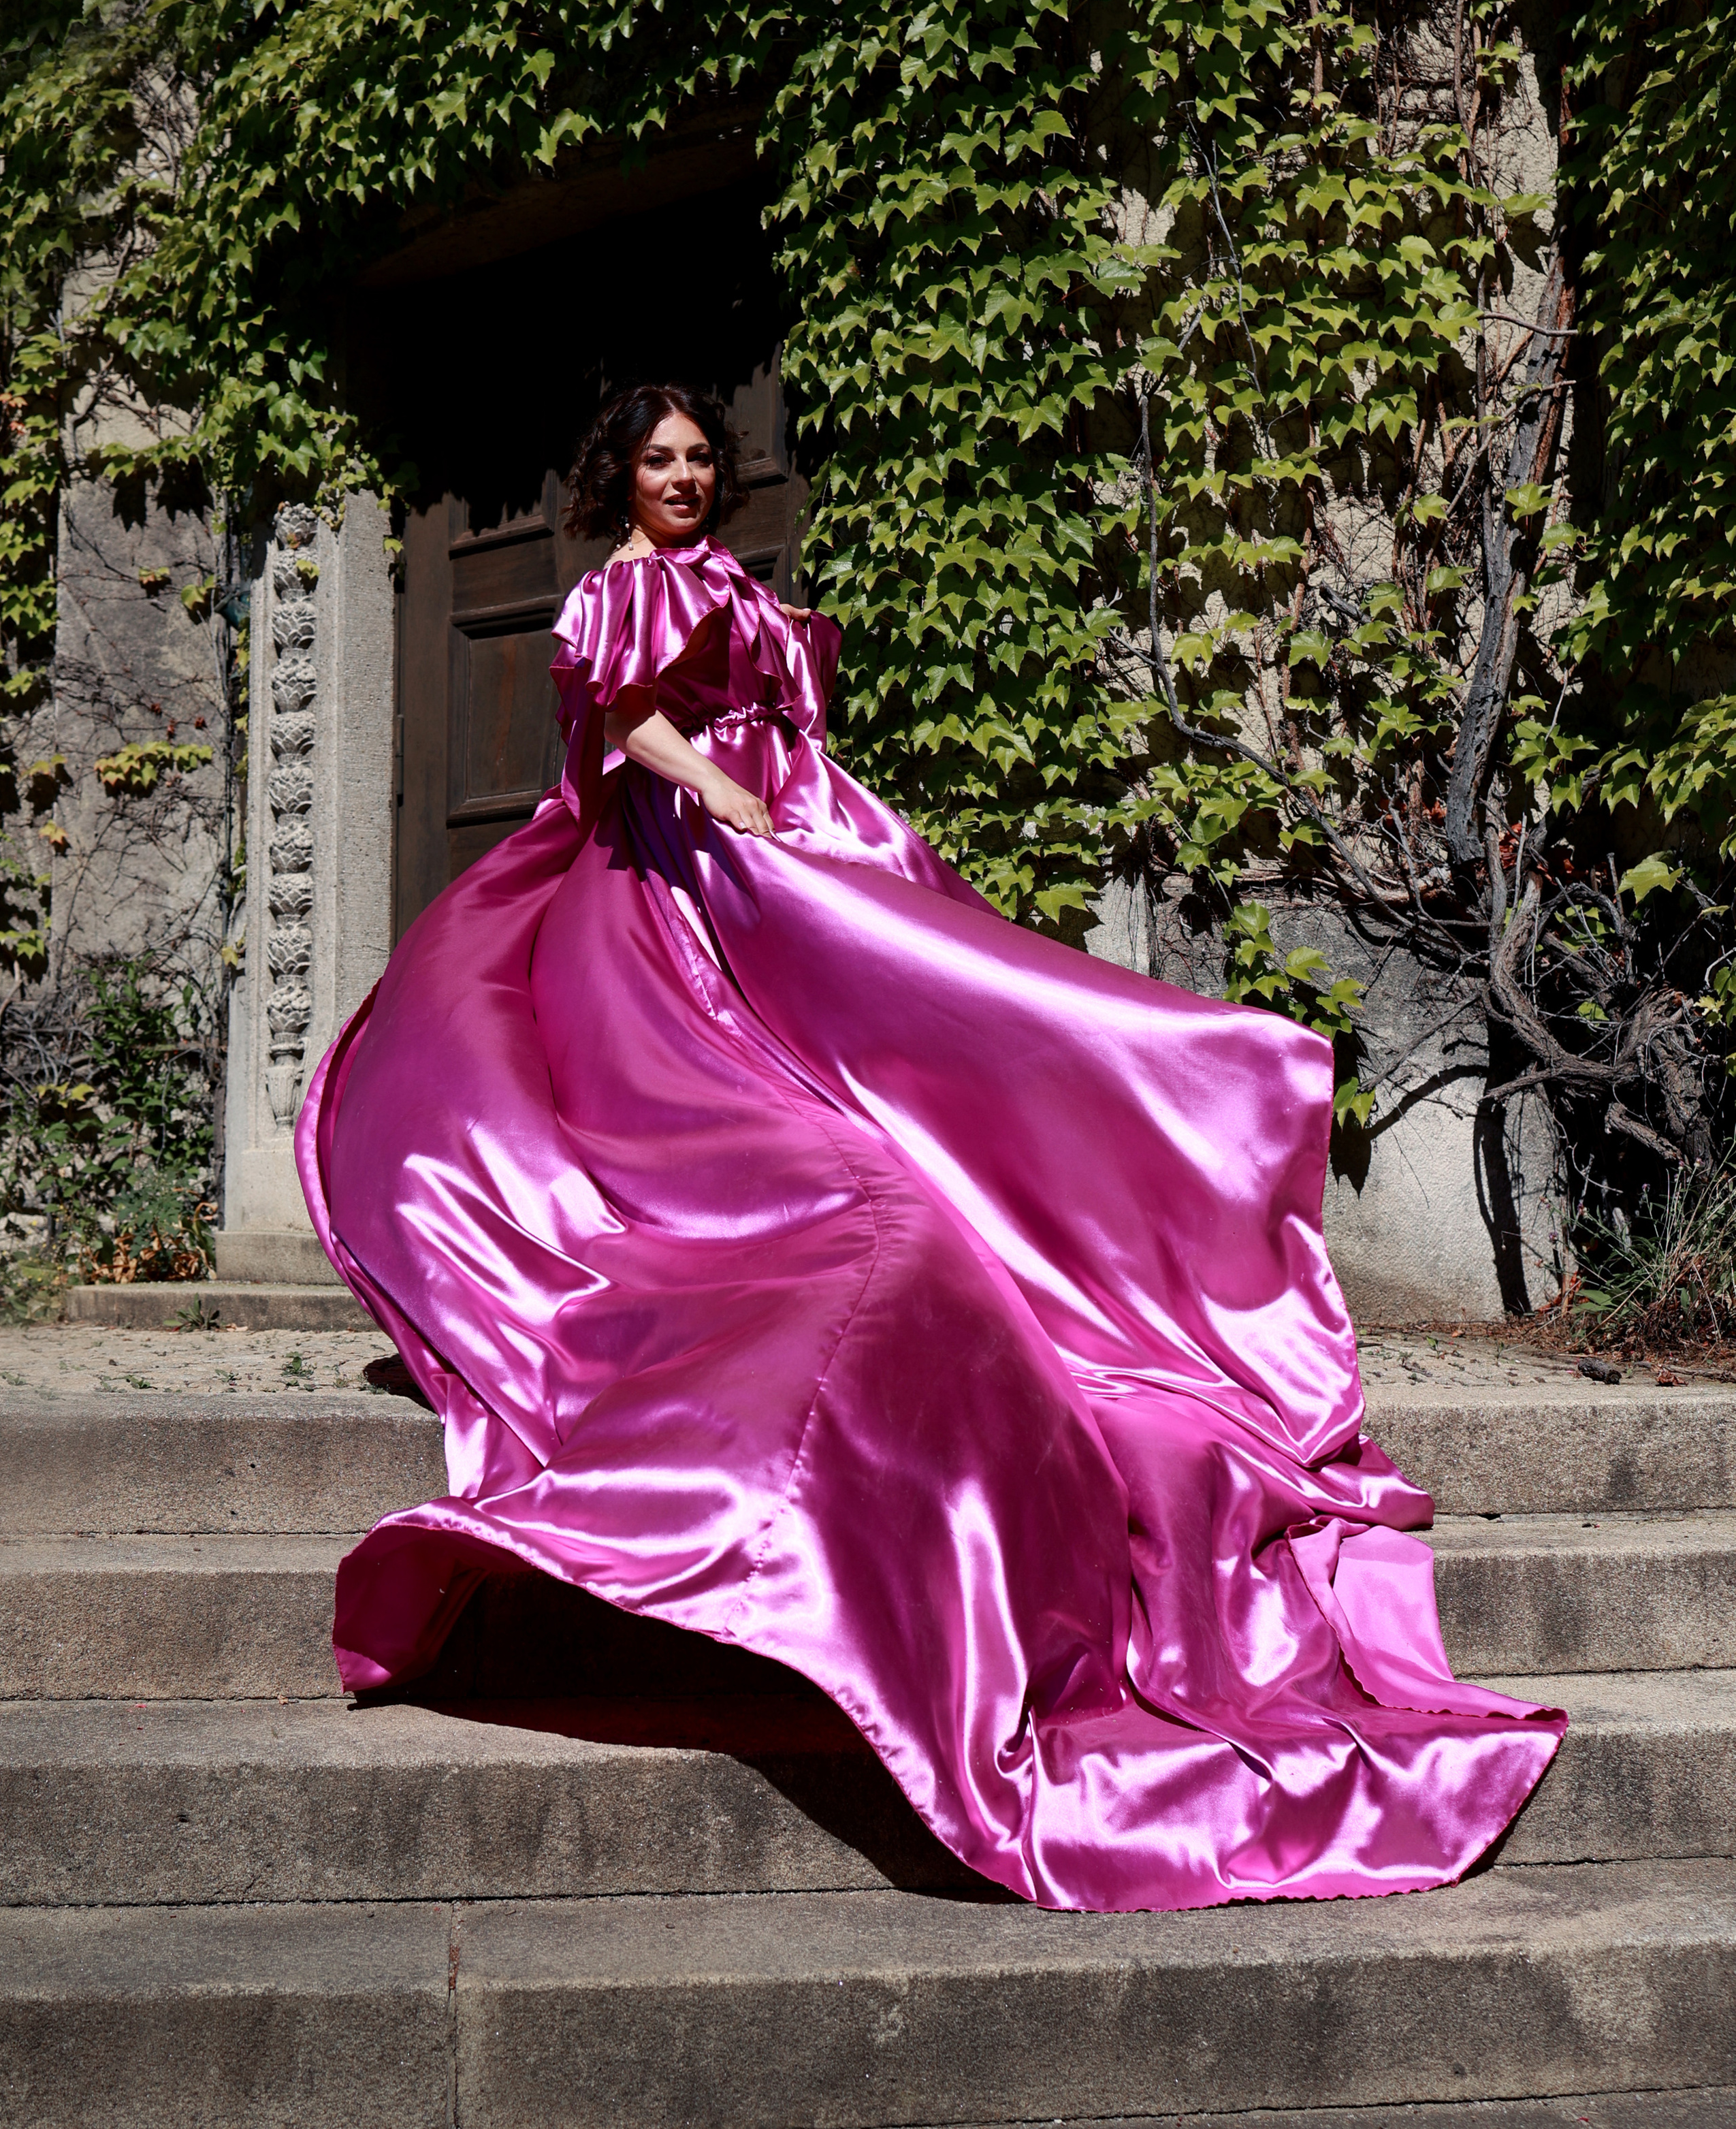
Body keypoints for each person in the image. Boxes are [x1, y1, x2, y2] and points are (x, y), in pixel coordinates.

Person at [298, 377, 1563, 1914]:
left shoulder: (735, 586)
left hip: (791, 851)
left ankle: (1180, 1136)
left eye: (702, 456)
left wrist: (812, 816)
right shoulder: (623, 588)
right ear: (616, 477)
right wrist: (727, 801)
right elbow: (627, 728)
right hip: (687, 870)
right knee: (757, 1114)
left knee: (962, 1032)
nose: (687, 477)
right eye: (659, 458)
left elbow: (778, 716)